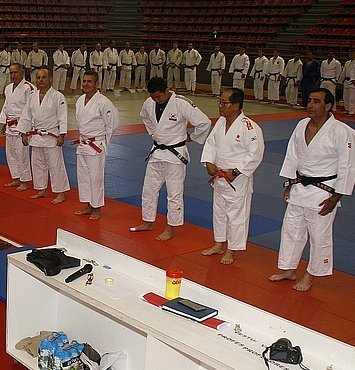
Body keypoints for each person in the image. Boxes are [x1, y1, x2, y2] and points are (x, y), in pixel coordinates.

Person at [269, 89, 355, 291]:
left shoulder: (342, 131)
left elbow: (348, 165)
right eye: (309, 100)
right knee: (291, 230)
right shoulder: (301, 125)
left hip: (323, 191)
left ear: (328, 106)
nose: (310, 104)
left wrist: (336, 196)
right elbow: (293, 156)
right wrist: (290, 184)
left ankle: (311, 275)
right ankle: (289, 268)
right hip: (300, 187)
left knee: (319, 235)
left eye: (316, 101)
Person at [130, 77, 211, 240]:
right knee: (149, 189)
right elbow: (144, 116)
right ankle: (148, 221)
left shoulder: (182, 103)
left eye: (159, 96)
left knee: (174, 193)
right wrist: (153, 133)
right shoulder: (149, 103)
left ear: (167, 90)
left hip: (175, 155)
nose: (156, 100)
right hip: (156, 152)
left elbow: (204, 122)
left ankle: (170, 227)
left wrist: (193, 137)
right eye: (153, 97)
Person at [200, 88, 264, 264]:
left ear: (236, 105)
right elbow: (211, 143)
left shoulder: (249, 127)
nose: (220, 106)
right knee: (219, 212)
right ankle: (219, 243)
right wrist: (209, 162)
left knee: (236, 215)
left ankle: (232, 250)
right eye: (220, 102)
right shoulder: (221, 122)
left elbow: (255, 154)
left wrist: (236, 171)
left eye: (224, 103)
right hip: (220, 176)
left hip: (237, 178)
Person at [17, 66, 69, 204]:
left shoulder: (58, 96)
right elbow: (26, 116)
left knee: (55, 165)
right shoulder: (32, 96)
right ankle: (41, 189)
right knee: (38, 164)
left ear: (50, 79)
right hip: (36, 136)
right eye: (38, 77)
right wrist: (23, 133)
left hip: (52, 135)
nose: (41, 80)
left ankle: (60, 192)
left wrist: (62, 134)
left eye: (44, 77)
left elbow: (63, 117)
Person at [73, 71, 120, 220]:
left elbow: (113, 123)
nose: (86, 84)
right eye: (84, 81)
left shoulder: (103, 102)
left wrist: (104, 140)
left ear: (96, 84)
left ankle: (97, 208)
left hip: (96, 144)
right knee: (83, 176)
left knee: (95, 177)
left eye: (89, 81)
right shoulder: (80, 100)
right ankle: (88, 205)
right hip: (83, 143)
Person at [0, 63, 35, 191]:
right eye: (11, 73)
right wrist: (4, 122)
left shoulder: (29, 88)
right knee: (11, 153)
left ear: (22, 73)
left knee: (22, 154)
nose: (13, 75)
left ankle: (25, 181)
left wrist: (25, 130)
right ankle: (17, 178)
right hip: (10, 125)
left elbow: (30, 110)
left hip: (21, 125)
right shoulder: (8, 88)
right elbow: (6, 106)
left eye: (15, 72)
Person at [340, 49, 355, 116]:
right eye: (350, 53)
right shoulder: (347, 62)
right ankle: (347, 109)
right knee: (345, 96)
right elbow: (343, 73)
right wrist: (341, 81)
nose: (350, 54)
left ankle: (351, 111)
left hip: (353, 81)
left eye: (352, 53)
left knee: (352, 98)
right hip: (346, 80)